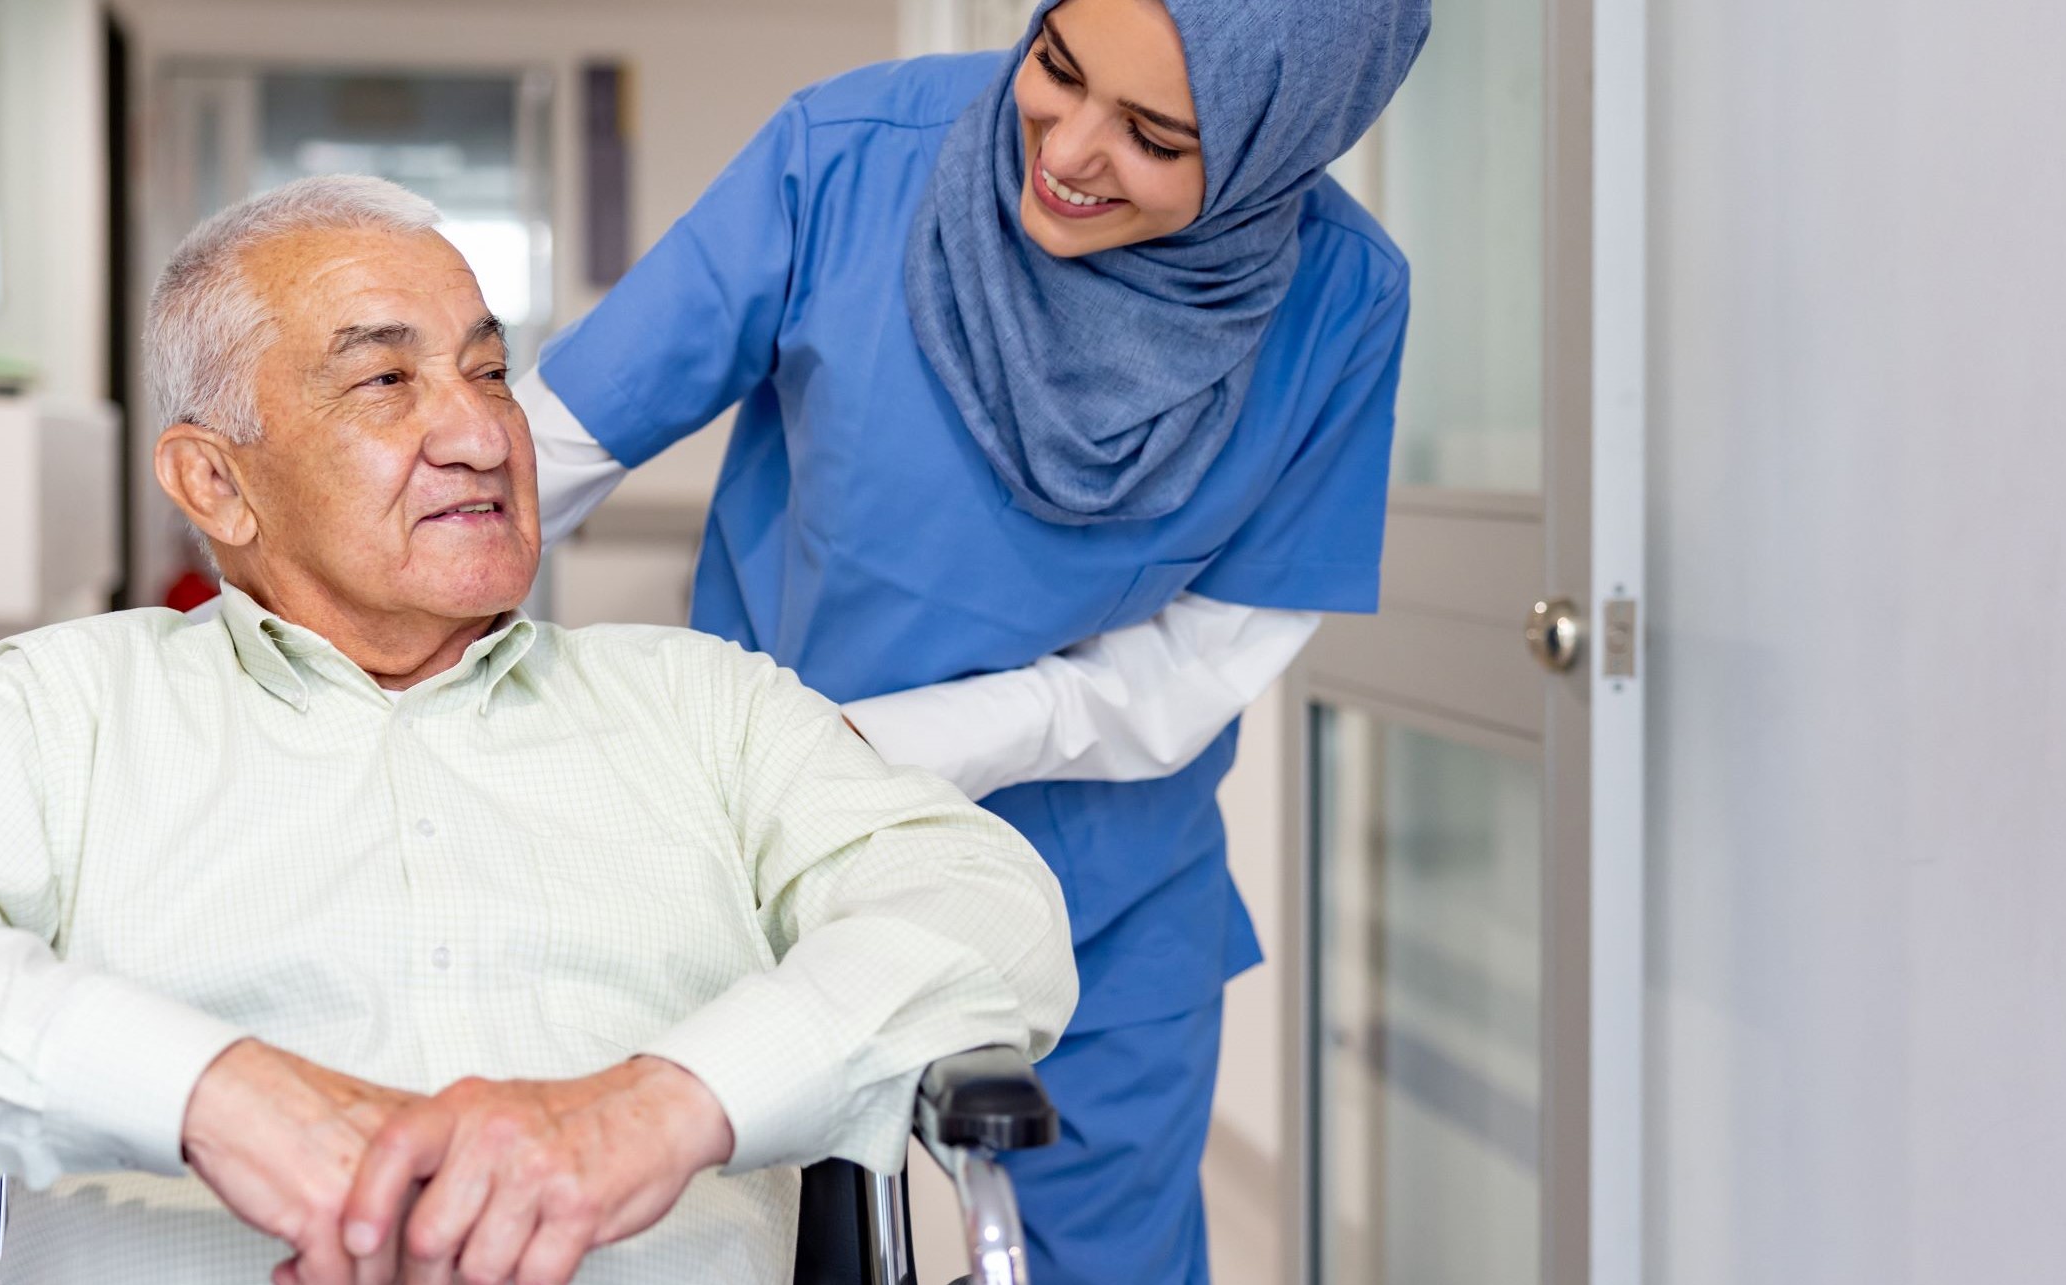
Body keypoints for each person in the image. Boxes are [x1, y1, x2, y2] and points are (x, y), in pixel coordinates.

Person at [0, 176, 1076, 1285]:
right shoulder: (69, 709)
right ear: (215, 480)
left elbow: (985, 910)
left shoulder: (707, 706)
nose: (480, 435)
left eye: (488, 370)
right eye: (387, 381)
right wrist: (209, 1090)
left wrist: (660, 1108)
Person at [518, 0, 1427, 1278]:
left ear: (1282, 145)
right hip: (764, 846)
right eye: (1056, 65)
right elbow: (547, 448)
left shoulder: (1339, 301)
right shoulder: (848, 155)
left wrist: (884, 741)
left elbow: (1198, 668)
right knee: (732, 1238)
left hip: (1100, 877)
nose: (1064, 147)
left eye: (1155, 136)